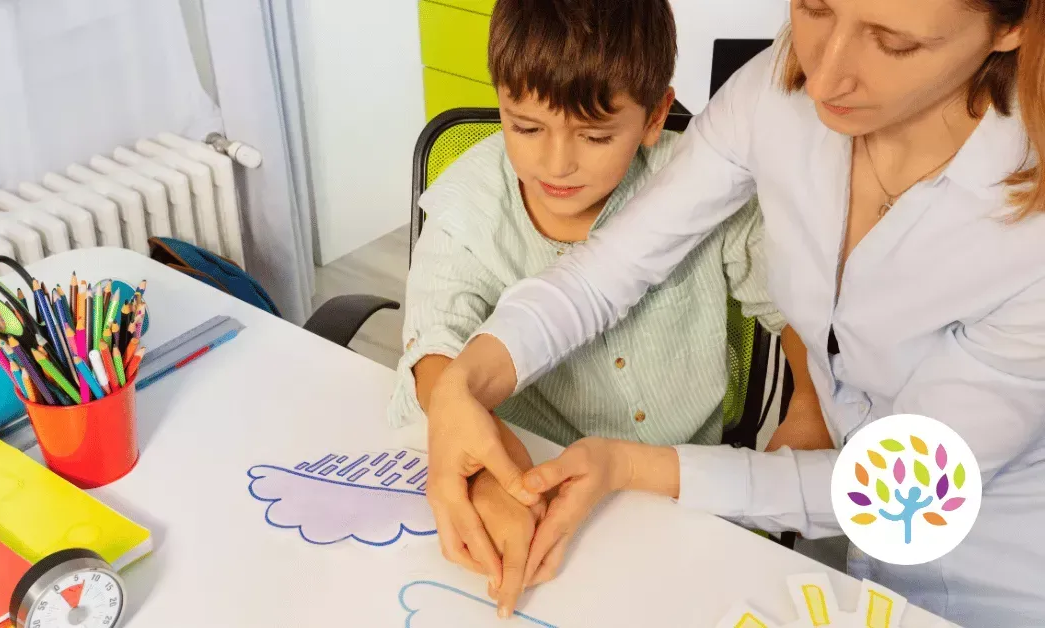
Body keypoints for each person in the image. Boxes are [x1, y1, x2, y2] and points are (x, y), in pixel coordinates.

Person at [424, 0, 1045, 625]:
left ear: (1013, 24)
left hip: (996, 572)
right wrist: (466, 381)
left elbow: (904, 489)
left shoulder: (1029, 235)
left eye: (894, 44)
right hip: (852, 549)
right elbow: (609, 267)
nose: (823, 78)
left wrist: (636, 466)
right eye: (814, 9)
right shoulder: (776, 91)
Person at [393, 0, 828, 615]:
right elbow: (433, 342)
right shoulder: (470, 205)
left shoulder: (696, 182)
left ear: (654, 117)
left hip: (676, 490)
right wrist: (476, 445)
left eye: (596, 136)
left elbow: (793, 311)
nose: (557, 163)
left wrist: (809, 405)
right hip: (535, 488)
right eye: (525, 127)